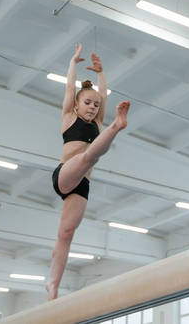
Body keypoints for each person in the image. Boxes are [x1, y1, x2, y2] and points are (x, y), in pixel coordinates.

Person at [46, 44, 129, 300]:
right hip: (64, 175)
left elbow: (102, 92)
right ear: (76, 105)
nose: (93, 107)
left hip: (81, 185)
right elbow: (70, 87)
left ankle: (53, 286)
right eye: (88, 103)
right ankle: (117, 127)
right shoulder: (68, 118)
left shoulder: (96, 123)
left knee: (66, 234)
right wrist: (72, 63)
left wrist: (102, 72)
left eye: (96, 104)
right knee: (88, 156)